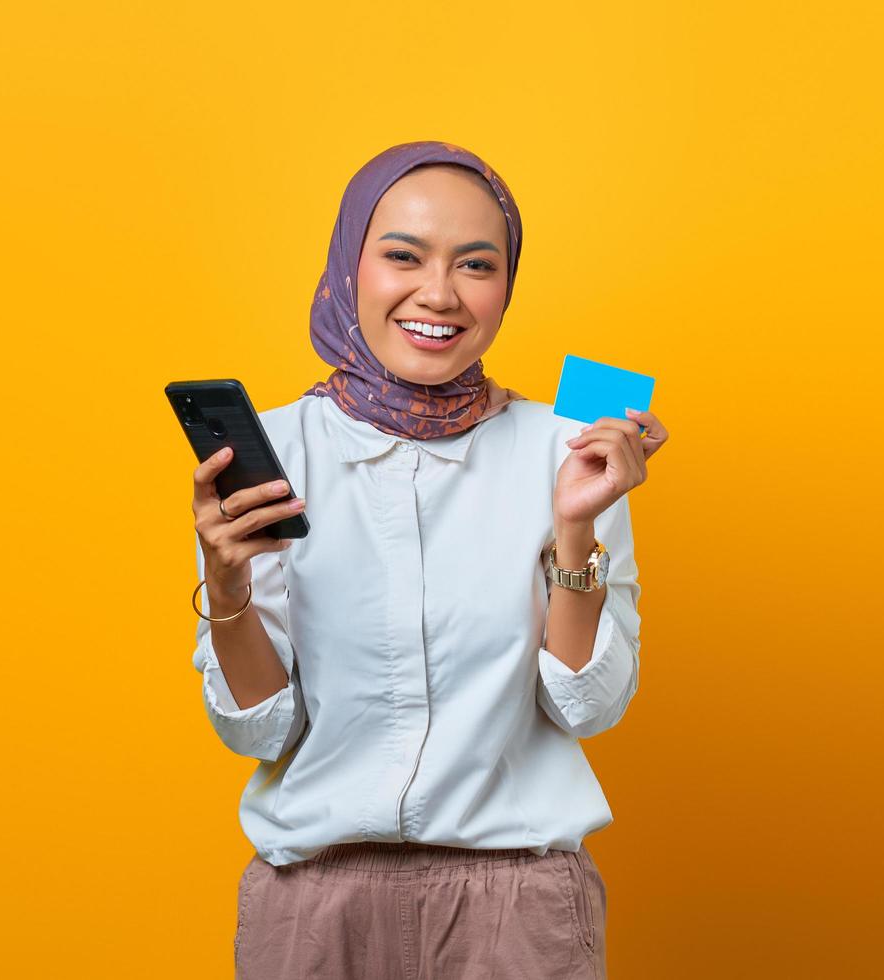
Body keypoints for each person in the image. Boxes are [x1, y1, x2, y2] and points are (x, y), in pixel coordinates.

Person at [188, 140, 667, 979]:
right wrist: (225, 585)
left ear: (505, 287)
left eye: (475, 265)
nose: (438, 295)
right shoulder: (270, 448)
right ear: (349, 264)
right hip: (312, 908)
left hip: (516, 910)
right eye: (402, 256)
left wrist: (576, 529)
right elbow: (257, 730)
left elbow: (587, 707)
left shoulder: (570, 449)